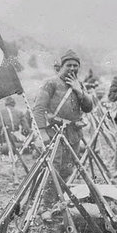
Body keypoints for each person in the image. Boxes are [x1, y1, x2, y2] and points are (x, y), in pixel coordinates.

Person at [33, 50, 93, 216]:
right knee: (54, 167)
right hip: (55, 132)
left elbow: (89, 107)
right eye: (69, 65)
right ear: (62, 66)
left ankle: (58, 201)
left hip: (73, 133)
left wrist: (79, 91)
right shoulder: (50, 83)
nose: (72, 68)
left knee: (67, 169)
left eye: (75, 66)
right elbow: (38, 109)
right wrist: (43, 133)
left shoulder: (78, 84)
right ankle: (45, 205)